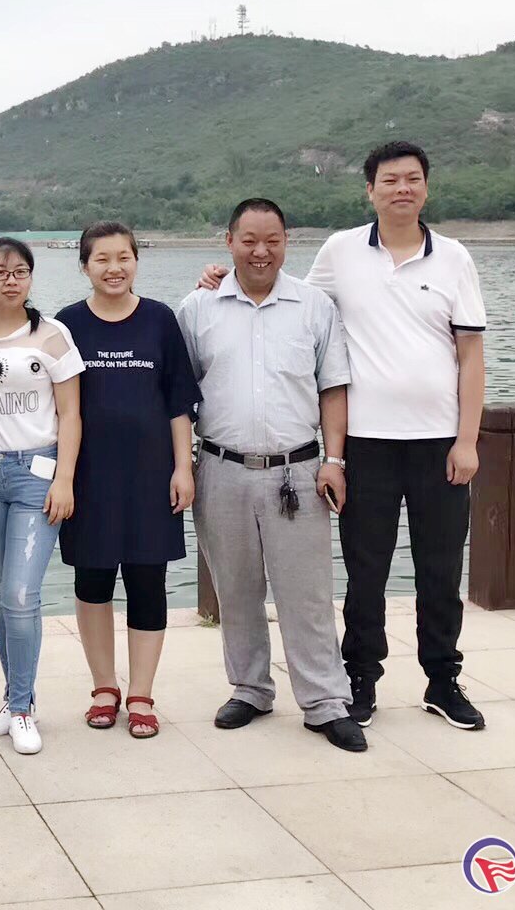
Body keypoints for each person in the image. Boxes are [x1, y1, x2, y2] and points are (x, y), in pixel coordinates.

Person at [199, 142, 488, 731]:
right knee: (365, 571)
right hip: (366, 444)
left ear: (426, 188)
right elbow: (286, 301)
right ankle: (360, 679)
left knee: (440, 569)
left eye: (412, 179)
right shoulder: (341, 251)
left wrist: (467, 440)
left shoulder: (454, 258)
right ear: (370, 190)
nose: (402, 189)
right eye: (390, 180)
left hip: (438, 442)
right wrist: (224, 277)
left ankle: (442, 680)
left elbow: (471, 355)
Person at [177, 199, 365, 752]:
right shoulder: (198, 307)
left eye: (273, 241)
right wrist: (180, 464)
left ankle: (325, 700)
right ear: (229, 241)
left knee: (307, 593)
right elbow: (179, 394)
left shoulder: (314, 306)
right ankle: (251, 689)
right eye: (249, 240)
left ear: (287, 241)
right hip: (220, 467)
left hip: (298, 470)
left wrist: (334, 461)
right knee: (235, 589)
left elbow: (333, 387)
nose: (261, 252)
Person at [57, 221, 199, 740]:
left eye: (124, 257)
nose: (114, 268)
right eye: (102, 259)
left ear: (137, 261)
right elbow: (58, 406)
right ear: (84, 266)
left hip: (150, 476)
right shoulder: (67, 324)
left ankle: (140, 694)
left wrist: (183, 467)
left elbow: (179, 403)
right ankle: (103, 687)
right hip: (88, 476)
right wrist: (62, 478)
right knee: (91, 582)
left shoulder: (160, 319)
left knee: (147, 583)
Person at [0, 237, 84, 755]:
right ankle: (12, 698)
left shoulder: (51, 335)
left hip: (37, 473)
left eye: (20, 271)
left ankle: (25, 708)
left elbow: (71, 414)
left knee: (20, 594)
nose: (11, 280)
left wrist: (65, 479)